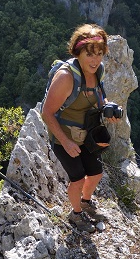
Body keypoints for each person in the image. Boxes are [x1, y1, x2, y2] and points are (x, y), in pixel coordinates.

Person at [41, 23, 119, 232]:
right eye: (89, 54)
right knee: (77, 178)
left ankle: (86, 202)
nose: (95, 60)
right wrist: (65, 142)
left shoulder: (98, 71)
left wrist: (107, 108)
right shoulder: (66, 78)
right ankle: (75, 214)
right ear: (78, 52)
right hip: (64, 136)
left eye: (99, 54)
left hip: (86, 132)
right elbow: (47, 113)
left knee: (95, 172)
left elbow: (98, 97)